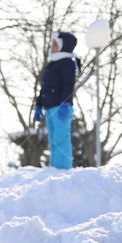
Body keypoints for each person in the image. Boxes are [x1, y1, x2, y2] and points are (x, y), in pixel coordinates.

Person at [35, 31, 82, 169]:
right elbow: (45, 87)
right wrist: (39, 105)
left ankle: (63, 168)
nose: (52, 47)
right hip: (50, 106)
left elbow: (69, 84)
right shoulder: (52, 64)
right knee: (53, 139)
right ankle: (55, 167)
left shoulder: (67, 62)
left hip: (61, 106)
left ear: (63, 46)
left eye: (55, 44)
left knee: (61, 138)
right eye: (52, 44)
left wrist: (65, 103)